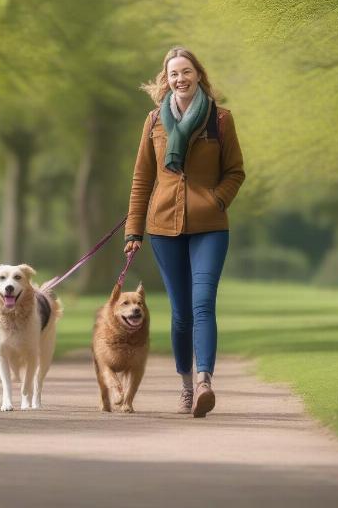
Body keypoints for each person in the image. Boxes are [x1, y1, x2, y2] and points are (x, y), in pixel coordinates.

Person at [123, 46, 245, 417]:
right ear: (166, 79)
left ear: (198, 75)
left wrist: (217, 200)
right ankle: (186, 386)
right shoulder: (153, 122)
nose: (180, 78)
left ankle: (206, 380)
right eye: (174, 73)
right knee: (181, 313)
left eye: (186, 71)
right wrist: (133, 231)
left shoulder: (220, 120)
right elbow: (142, 178)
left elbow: (235, 172)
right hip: (163, 227)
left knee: (203, 302)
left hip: (210, 226)